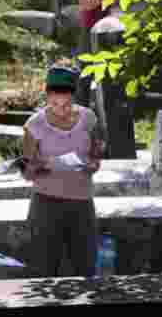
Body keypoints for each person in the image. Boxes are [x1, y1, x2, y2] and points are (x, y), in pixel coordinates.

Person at [21, 64, 107, 278]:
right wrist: (39, 165)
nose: (61, 107)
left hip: (82, 204)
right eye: (55, 101)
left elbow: (96, 156)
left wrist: (93, 163)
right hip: (46, 205)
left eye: (67, 102)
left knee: (85, 267)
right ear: (47, 94)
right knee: (43, 268)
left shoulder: (89, 119)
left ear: (74, 95)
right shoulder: (34, 125)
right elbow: (27, 173)